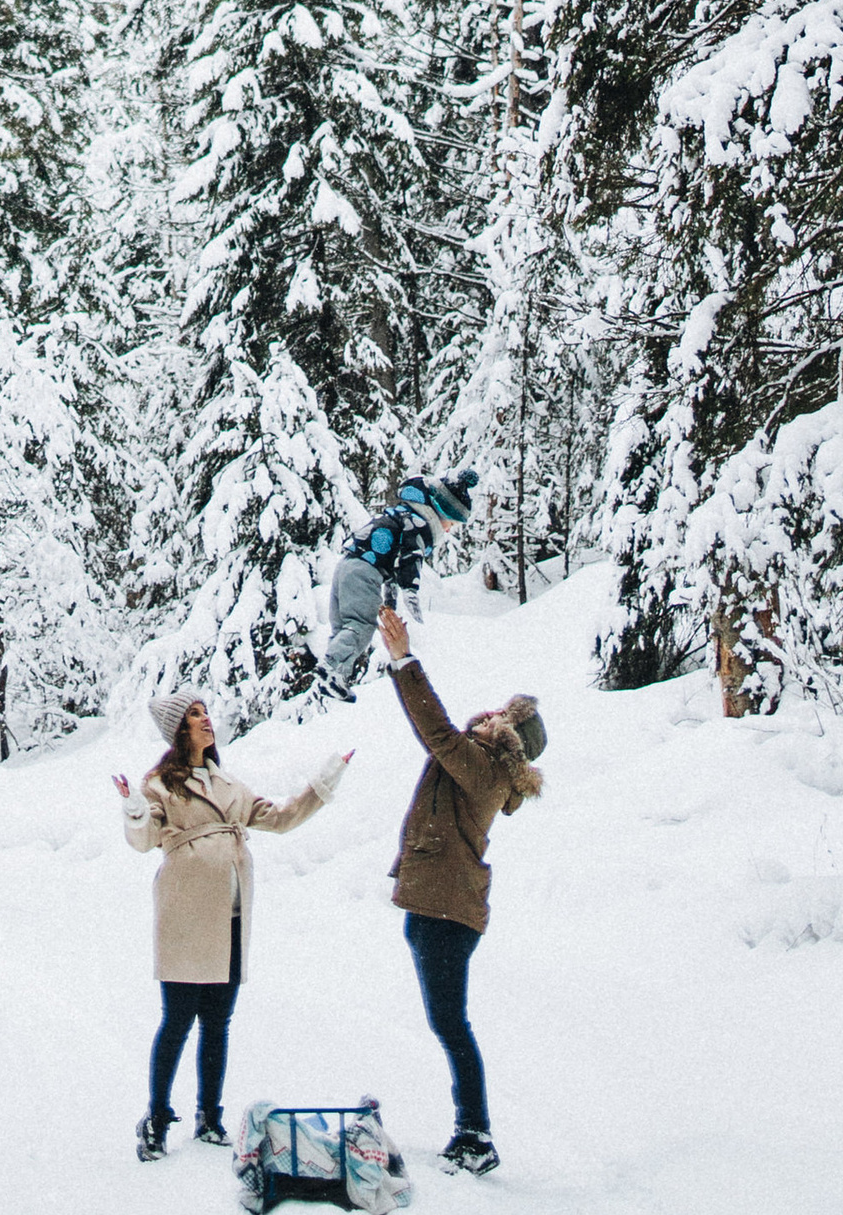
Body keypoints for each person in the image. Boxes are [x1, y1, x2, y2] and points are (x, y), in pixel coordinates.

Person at [115, 692, 349, 1159]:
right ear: (179, 729)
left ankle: (209, 1115)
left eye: (205, 713)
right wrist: (136, 809)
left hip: (232, 914)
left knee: (218, 1023)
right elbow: (144, 842)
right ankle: (156, 1118)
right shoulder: (159, 784)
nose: (207, 721)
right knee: (178, 1020)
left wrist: (324, 782)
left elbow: (279, 819)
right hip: (184, 912)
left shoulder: (228, 784)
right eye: (196, 715)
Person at [376, 599, 544, 1176]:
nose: (491, 713)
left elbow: (439, 734)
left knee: (451, 1024)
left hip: (447, 913)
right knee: (449, 1022)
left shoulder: (486, 768)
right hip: (441, 910)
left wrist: (404, 663)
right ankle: (472, 1131)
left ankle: (476, 1135)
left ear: (509, 736)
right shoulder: (484, 765)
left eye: (502, 715)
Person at [320, 469, 476, 699]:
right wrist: (410, 592)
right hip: (365, 572)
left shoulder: (403, 515)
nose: (449, 529)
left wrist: (390, 602)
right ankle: (330, 667)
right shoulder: (419, 525)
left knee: (345, 627)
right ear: (441, 511)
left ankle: (335, 678)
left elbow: (392, 565)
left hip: (346, 565)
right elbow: (409, 560)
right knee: (361, 626)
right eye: (451, 522)